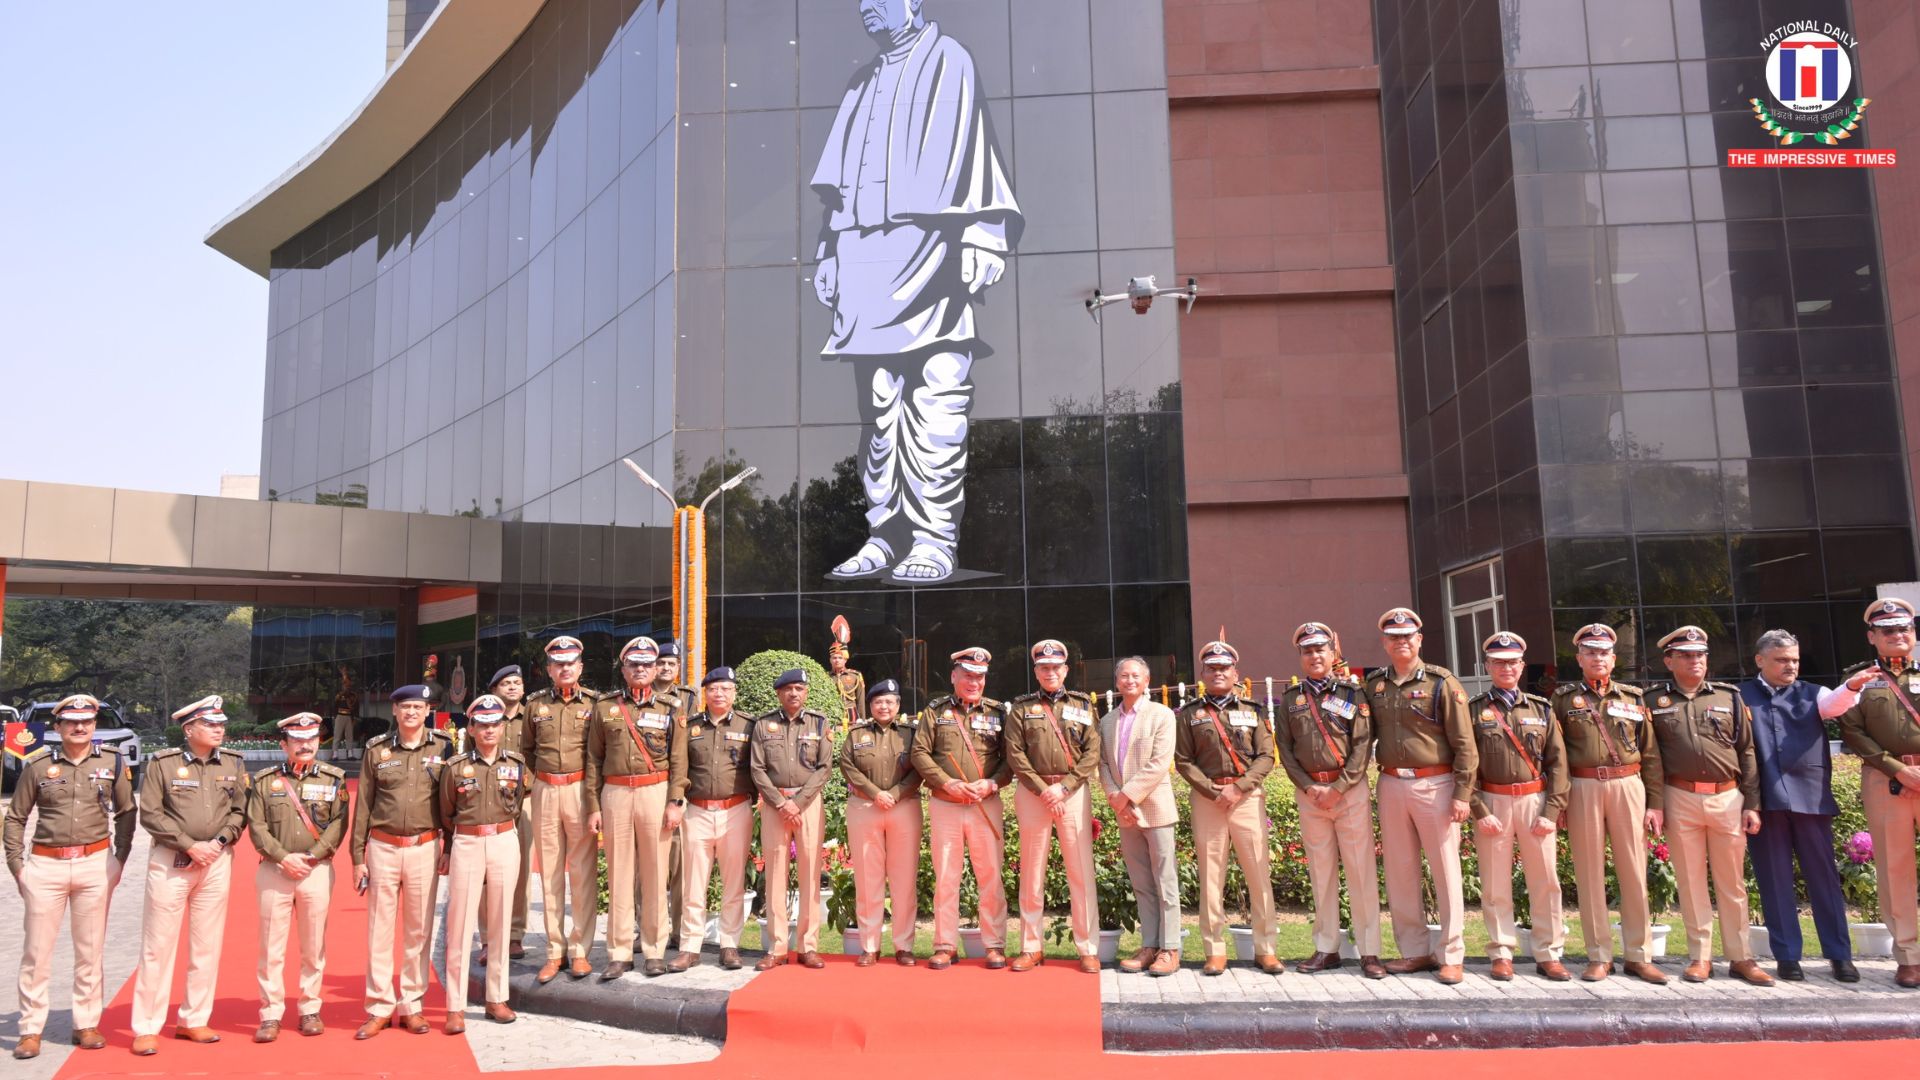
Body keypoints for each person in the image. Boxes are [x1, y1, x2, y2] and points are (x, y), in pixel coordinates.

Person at [811, 0, 1022, 584]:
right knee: (878, 409)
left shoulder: (948, 59)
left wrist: (982, 234)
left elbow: (976, 155)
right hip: (864, 259)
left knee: (935, 397)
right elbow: (837, 188)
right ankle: (885, 535)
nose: (867, 8)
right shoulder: (863, 80)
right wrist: (828, 252)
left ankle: (933, 538)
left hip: (931, 253)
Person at [5, 694, 135, 1060]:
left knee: (90, 950)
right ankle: (30, 1029)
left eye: (87, 722)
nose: (80, 728)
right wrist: (18, 866)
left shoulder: (112, 761)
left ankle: (87, 1023)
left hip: (95, 862)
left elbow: (127, 811)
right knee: (36, 952)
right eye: (72, 722)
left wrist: (119, 858)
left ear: (94, 725)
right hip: (46, 866)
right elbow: (16, 817)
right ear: (58, 727)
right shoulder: (38, 765)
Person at [1644, 626, 1772, 986]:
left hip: (1727, 797)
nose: (1695, 660)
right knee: (1690, 881)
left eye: (1700, 654)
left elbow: (1746, 751)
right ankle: (1700, 957)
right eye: (1685, 655)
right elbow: (1651, 758)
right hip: (1679, 796)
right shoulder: (1652, 701)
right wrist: (1656, 803)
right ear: (1669, 661)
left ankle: (1741, 956)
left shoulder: (1729, 696)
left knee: (1732, 883)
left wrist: (1752, 803)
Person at [129, 694, 249, 1056]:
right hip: (172, 862)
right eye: (211, 724)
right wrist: (189, 844)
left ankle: (193, 1018)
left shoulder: (233, 762)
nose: (219, 729)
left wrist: (220, 841)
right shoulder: (163, 764)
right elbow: (150, 813)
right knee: (158, 947)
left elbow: (239, 809)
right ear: (189, 728)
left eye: (221, 724)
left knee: (206, 946)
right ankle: (146, 1026)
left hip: (216, 861)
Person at [1364, 609, 1475, 984]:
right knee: (1400, 871)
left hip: (1436, 785)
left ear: (1420, 639)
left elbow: (1464, 743)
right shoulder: (1375, 685)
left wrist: (1462, 794)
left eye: (1408, 635)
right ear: (1384, 642)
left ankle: (1451, 953)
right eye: (1394, 637)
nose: (1402, 642)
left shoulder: (1441, 682)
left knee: (1445, 870)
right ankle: (1414, 951)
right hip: (1392, 783)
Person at [1742, 629, 1859, 982]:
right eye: (1781, 660)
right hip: (1765, 800)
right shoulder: (1739, 695)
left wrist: (1853, 687)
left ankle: (1840, 956)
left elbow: (1838, 703)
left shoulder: (1815, 693)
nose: (1790, 666)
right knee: (1774, 880)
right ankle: (1787, 956)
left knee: (1824, 879)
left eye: (1794, 659)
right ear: (1760, 660)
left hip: (1811, 798)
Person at [1552, 623, 1667, 985]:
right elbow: (1554, 756)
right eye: (1590, 652)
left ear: (1614, 659)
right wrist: (1559, 802)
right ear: (1579, 658)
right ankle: (1598, 955)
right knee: (1588, 874)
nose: (1597, 658)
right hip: (1583, 787)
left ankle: (1639, 954)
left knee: (1634, 871)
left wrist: (1655, 802)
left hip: (1627, 786)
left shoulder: (1633, 699)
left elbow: (1650, 754)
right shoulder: (1563, 699)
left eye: (1603, 652)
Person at [1275, 623, 1385, 978]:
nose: (1314, 656)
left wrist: (1339, 788)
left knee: (1360, 872)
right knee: (1320, 873)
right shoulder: (1291, 700)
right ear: (1301, 657)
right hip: (1311, 796)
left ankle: (1370, 951)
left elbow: (1362, 744)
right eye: (1307, 651)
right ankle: (1327, 948)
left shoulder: (1353, 694)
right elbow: (1286, 751)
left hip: (1348, 793)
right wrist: (1309, 787)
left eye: (1320, 649)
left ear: (1333, 653)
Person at [351, 685, 454, 1039]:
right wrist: (356, 857)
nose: (411, 712)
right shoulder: (377, 750)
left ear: (428, 710)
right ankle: (379, 1006)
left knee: (418, 930)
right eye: (404, 706)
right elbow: (363, 804)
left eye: (418, 706)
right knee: (380, 929)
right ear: (394, 711)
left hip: (426, 846)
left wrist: (450, 846)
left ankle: (412, 1004)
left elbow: (451, 801)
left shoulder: (444, 747)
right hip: (383, 847)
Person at [1466, 632, 1570, 982]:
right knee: (1495, 885)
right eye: (1498, 662)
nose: (1506, 667)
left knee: (1546, 881)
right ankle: (1501, 951)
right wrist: (1480, 811)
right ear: (1487, 666)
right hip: (1493, 802)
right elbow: (1465, 766)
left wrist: (1551, 811)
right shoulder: (1474, 710)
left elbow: (1557, 763)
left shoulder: (1541, 708)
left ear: (1522, 665)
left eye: (1512, 661)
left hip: (1534, 801)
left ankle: (1549, 951)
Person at [1175, 639, 1282, 975]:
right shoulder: (1191, 714)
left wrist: (1238, 787)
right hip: (1208, 800)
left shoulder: (1253, 710)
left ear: (1236, 672)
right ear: (1203, 673)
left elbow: (1266, 756)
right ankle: (1215, 950)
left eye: (1224, 667)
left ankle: (1266, 948)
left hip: (1246, 798)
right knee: (1210, 877)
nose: (1218, 672)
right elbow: (1183, 760)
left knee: (1258, 874)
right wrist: (1211, 790)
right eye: (1212, 668)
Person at [245, 712, 349, 1041]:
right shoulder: (264, 781)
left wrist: (313, 856)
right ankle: (271, 1012)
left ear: (319, 741)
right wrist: (283, 857)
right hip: (274, 870)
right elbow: (257, 826)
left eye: (311, 739)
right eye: (297, 740)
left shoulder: (334, 779)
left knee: (313, 945)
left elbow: (339, 823)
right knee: (271, 946)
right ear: (284, 744)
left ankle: (310, 1008)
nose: (305, 745)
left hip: (315, 871)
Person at [1835, 597, 1920, 989]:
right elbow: (1852, 732)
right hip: (1886, 779)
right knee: (1894, 869)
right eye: (1888, 631)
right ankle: (1909, 956)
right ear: (1873, 637)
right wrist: (1899, 769)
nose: (1897, 635)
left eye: (1903, 628)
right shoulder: (1860, 680)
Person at [911, 647, 1012, 969]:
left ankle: (994, 944)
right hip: (947, 805)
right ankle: (944, 945)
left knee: (990, 876)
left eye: (979, 677)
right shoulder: (935, 712)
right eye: (967, 675)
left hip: (985, 803)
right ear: (954, 676)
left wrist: (993, 783)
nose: (973, 682)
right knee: (946, 877)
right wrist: (946, 782)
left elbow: (1011, 759)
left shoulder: (998, 713)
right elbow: (920, 753)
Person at [1005, 640, 1103, 973]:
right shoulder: (1021, 708)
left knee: (1080, 871)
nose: (1050, 672)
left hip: (1071, 791)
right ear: (1036, 671)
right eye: (1043, 667)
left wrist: (1063, 786)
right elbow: (1015, 754)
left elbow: (1092, 751)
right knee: (1032, 871)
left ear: (1065, 670)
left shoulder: (1083, 705)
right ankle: (1031, 946)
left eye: (1055, 667)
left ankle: (1087, 947)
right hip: (1034, 794)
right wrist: (1043, 789)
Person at [587, 636, 678, 979]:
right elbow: (593, 759)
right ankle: (620, 951)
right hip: (615, 793)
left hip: (655, 792)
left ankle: (655, 950)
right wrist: (594, 805)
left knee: (655, 873)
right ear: (623, 669)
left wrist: (675, 801)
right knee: (619, 873)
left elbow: (679, 761)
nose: (640, 669)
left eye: (646, 664)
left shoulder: (669, 709)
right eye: (634, 664)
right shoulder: (605, 708)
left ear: (656, 669)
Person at [437, 694, 523, 1033]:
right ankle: (455, 1006)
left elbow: (516, 803)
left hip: (504, 838)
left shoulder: (516, 764)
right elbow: (445, 812)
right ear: (471, 728)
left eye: (495, 724)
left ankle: (496, 997)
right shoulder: (455, 768)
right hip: (467, 840)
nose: (489, 730)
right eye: (482, 724)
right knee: (459, 922)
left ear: (502, 728)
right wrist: (449, 844)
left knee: (501, 919)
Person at [521, 635, 601, 983]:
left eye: (571, 663)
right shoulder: (535, 705)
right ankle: (555, 951)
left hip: (582, 791)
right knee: (550, 872)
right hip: (546, 789)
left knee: (581, 872)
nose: (565, 668)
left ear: (580, 667)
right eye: (558, 663)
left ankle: (580, 950)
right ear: (549, 669)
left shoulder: (596, 704)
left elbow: (600, 753)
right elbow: (526, 749)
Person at [669, 667, 756, 972]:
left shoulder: (749, 727)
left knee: (734, 882)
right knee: (694, 883)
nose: (719, 694)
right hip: (697, 811)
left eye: (725, 689)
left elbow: (757, 768)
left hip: (736, 810)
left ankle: (729, 945)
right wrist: (676, 802)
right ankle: (690, 947)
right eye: (714, 688)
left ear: (734, 694)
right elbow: (679, 768)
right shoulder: (689, 726)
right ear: (705, 693)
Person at [1100, 657, 1181, 977]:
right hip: (1125, 814)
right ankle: (1150, 945)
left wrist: (1127, 796)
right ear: (1117, 681)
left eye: (1136, 675)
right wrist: (1116, 800)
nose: (1130, 680)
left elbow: (1160, 762)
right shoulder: (1106, 720)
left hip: (1154, 808)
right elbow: (1103, 765)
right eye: (1124, 675)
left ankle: (1170, 948)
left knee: (1166, 882)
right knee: (1142, 883)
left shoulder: (1161, 715)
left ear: (1147, 681)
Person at [751, 668, 835, 971]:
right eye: (788, 689)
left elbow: (824, 767)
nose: (793, 694)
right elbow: (757, 769)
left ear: (806, 692)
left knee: (811, 872)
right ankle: (776, 947)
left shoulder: (820, 722)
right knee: (774, 874)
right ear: (778, 693)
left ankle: (808, 946)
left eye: (799, 688)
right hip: (775, 804)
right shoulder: (763, 725)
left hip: (808, 803)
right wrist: (780, 802)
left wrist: (797, 803)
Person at [837, 678, 923, 965]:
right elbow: (847, 767)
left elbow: (920, 768)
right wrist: (876, 794)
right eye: (878, 702)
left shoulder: (911, 734)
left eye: (889, 701)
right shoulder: (856, 733)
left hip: (904, 807)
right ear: (871, 705)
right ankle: (870, 945)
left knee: (903, 879)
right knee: (867, 878)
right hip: (865, 807)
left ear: (898, 705)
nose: (883, 706)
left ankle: (903, 945)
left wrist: (895, 794)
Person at [484, 664, 533, 963]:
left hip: (525, 799)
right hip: (490, 802)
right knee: (487, 872)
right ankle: (489, 936)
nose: (513, 687)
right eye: (506, 683)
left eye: (517, 682)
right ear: (494, 690)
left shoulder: (535, 715)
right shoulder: (485, 719)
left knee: (521, 870)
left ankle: (514, 935)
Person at [650, 641, 688, 950]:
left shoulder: (687, 699)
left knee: (678, 865)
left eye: (670, 664)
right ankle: (646, 928)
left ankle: (677, 931)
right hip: (647, 786)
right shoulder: (639, 698)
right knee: (645, 867)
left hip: (676, 788)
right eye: (660, 663)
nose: (665, 668)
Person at [830, 642, 867, 726]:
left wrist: (862, 720)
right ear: (830, 660)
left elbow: (860, 700)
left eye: (840, 658)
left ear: (845, 660)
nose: (837, 660)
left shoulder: (855, 676)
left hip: (852, 715)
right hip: (833, 715)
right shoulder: (826, 677)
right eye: (834, 658)